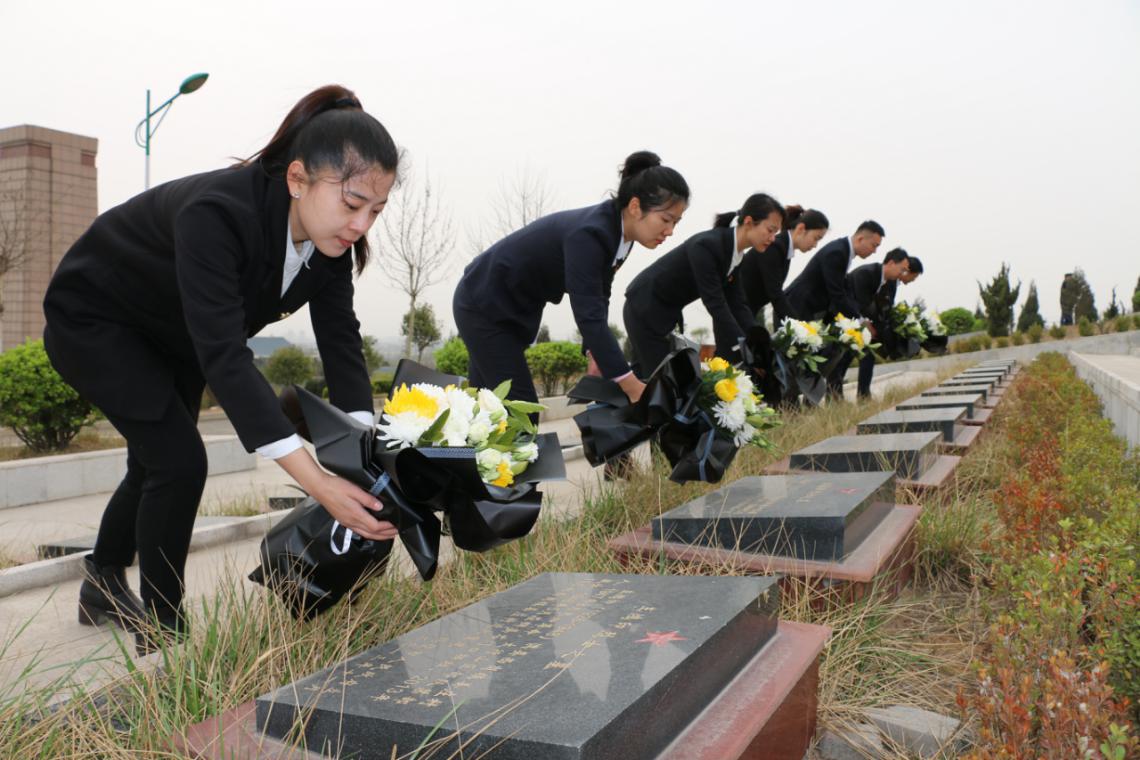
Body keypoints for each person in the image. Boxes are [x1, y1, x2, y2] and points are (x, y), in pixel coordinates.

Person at [42, 85, 401, 651]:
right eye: (353, 203)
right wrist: (318, 482)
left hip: (173, 333)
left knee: (156, 458)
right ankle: (163, 634)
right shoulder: (219, 213)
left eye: (375, 211)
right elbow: (227, 357)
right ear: (298, 178)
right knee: (179, 461)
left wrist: (362, 456)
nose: (361, 224)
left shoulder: (331, 245)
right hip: (96, 320)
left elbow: (340, 343)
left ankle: (102, 581)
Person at [453, 152, 689, 405]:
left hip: (507, 310)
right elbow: (588, 313)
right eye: (665, 219)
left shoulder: (619, 237)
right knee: (519, 410)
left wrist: (595, 352)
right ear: (635, 207)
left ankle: (461, 433)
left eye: (676, 222)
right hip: (484, 304)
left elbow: (600, 294)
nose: (670, 231)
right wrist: (631, 385)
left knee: (485, 410)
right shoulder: (591, 234)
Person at [622, 193, 783, 378]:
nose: (773, 238)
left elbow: (738, 305)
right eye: (770, 230)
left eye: (776, 233)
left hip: (663, 314)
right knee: (661, 382)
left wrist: (760, 342)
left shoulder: (735, 256)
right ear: (749, 221)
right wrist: (743, 346)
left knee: (646, 381)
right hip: (645, 306)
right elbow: (715, 303)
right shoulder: (708, 245)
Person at [829, 247, 913, 399]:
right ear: (892, 263)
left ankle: (863, 395)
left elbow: (884, 307)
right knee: (843, 359)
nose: (903, 274)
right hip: (845, 320)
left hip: (863, 324)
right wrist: (866, 324)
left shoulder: (890, 282)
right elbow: (859, 303)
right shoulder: (866, 273)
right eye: (902, 269)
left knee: (867, 356)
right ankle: (834, 394)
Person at [739, 206, 830, 325]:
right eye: (816, 238)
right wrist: (798, 325)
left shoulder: (784, 249)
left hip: (745, 310)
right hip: (735, 308)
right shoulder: (775, 247)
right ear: (801, 228)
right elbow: (775, 294)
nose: (815, 245)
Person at [782, 220, 884, 322]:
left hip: (804, 307)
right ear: (860, 239)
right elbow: (837, 293)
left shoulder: (844, 251)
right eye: (874, 245)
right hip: (796, 306)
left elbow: (845, 290)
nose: (874, 251)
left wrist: (858, 316)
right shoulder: (837, 252)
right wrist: (859, 320)